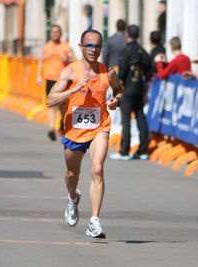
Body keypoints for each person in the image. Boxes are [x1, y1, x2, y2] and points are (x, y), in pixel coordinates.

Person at [47, 29, 124, 238]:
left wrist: (116, 100)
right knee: (73, 174)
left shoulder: (107, 72)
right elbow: (50, 100)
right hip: (75, 130)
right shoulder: (70, 72)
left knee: (97, 169)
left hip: (100, 126)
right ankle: (72, 198)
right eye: (89, 45)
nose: (93, 49)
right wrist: (73, 90)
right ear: (80, 47)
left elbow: (119, 89)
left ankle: (94, 221)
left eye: (97, 45)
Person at [109, 25, 151, 161]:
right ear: (138, 35)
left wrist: (118, 90)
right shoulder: (144, 52)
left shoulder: (125, 52)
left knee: (126, 119)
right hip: (139, 88)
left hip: (127, 89)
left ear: (127, 34)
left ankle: (124, 150)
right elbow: (149, 74)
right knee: (140, 118)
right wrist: (145, 92)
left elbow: (122, 73)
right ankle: (143, 149)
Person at [37, 25, 76, 141]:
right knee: (52, 106)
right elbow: (41, 61)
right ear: (50, 34)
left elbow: (75, 60)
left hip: (62, 80)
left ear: (60, 33)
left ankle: (61, 123)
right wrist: (39, 76)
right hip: (50, 79)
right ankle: (52, 129)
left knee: (63, 107)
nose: (55, 34)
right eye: (53, 32)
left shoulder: (65, 46)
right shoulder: (47, 47)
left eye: (57, 32)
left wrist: (67, 59)